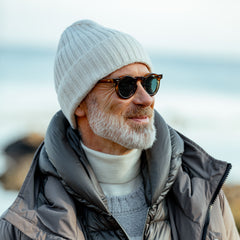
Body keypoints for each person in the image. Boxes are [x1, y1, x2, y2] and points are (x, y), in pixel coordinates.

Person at [0, 20, 239, 240]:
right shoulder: (24, 226)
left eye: (149, 83)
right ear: (80, 104)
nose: (146, 99)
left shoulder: (205, 194)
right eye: (125, 86)